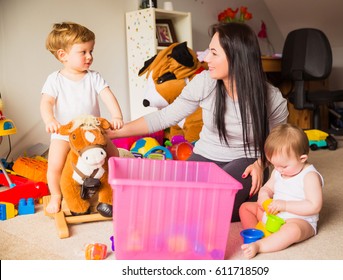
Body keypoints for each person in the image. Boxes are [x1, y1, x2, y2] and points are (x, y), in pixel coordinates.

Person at [107, 22, 288, 222]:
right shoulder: (205, 82)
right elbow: (164, 116)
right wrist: (115, 133)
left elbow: (279, 142)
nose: (206, 58)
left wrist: (260, 164)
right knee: (179, 198)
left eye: (214, 53)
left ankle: (245, 205)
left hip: (245, 161)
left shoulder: (271, 98)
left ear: (237, 57)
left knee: (212, 205)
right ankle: (243, 207)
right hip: (206, 156)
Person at [40, 22, 123, 214]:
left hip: (93, 133)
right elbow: (46, 103)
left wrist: (116, 115)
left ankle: (111, 190)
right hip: (65, 132)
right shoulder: (55, 79)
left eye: (91, 51)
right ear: (63, 55)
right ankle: (56, 195)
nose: (90, 57)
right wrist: (50, 120)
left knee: (114, 155)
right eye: (83, 52)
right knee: (54, 165)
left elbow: (108, 95)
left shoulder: (93, 77)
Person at [239, 123, 324, 258]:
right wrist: (264, 197)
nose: (278, 169)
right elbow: (267, 188)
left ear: (302, 159)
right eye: (274, 164)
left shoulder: (309, 176)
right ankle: (256, 234)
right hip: (274, 214)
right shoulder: (279, 171)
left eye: (283, 166)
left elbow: (314, 206)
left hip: (298, 220)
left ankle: (260, 245)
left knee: (293, 231)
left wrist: (284, 205)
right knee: (246, 208)